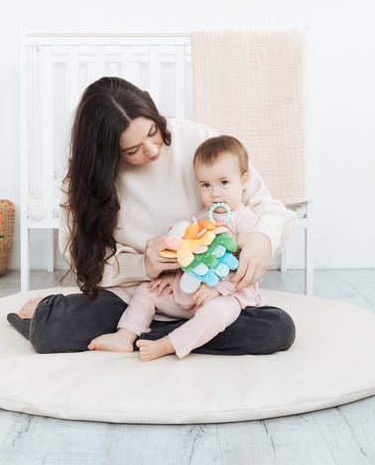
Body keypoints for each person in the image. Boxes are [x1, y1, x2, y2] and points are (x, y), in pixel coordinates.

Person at [7, 77, 296, 355]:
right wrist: (143, 265)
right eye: (132, 150)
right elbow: (80, 257)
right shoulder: (84, 182)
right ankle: (171, 335)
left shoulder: (200, 140)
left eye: (152, 131)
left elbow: (268, 208)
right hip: (136, 295)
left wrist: (261, 238)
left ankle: (151, 338)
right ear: (106, 153)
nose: (153, 149)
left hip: (208, 294)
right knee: (50, 332)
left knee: (277, 329)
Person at [88, 135, 267, 361]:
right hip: (191, 294)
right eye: (206, 185)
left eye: (224, 182)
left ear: (243, 181)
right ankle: (125, 335)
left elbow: (246, 270)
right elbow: (192, 256)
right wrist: (172, 277)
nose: (215, 193)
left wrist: (218, 290)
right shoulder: (203, 216)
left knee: (217, 313)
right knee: (147, 290)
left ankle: (167, 344)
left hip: (229, 295)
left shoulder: (245, 220)